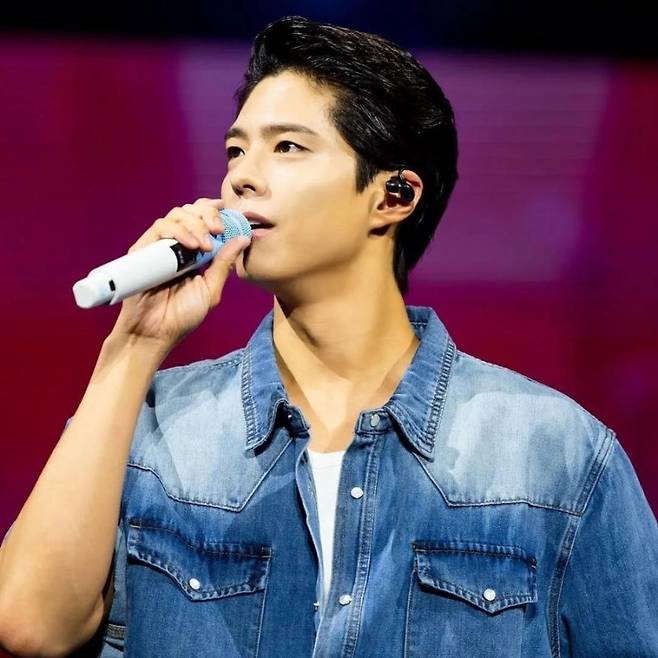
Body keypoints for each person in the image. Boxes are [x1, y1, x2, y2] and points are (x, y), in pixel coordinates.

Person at [1, 15, 657, 658]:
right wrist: (133, 347)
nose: (241, 177)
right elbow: (28, 626)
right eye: (236, 150)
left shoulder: (556, 453)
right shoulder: (151, 429)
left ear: (393, 195)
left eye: (287, 147)